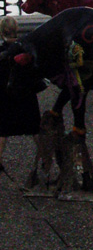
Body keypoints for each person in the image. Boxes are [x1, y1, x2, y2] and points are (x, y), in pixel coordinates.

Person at [0, 17, 41, 172]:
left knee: (2, 131)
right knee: (35, 128)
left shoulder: (2, 52)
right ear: (17, 29)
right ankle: (45, 158)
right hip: (26, 94)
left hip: (5, 96)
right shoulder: (25, 49)